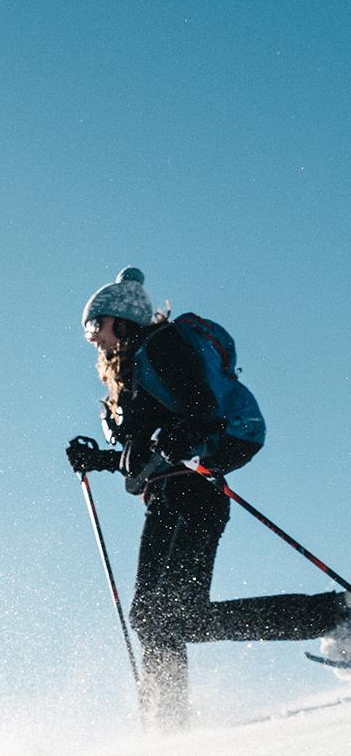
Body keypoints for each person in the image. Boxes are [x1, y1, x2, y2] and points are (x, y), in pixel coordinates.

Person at [67, 267, 351, 728]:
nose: (91, 338)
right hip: (165, 496)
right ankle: (169, 721)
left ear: (121, 319)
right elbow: (145, 452)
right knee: (150, 617)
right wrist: (96, 459)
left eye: (94, 326)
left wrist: (177, 436)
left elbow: (198, 408)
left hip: (195, 493)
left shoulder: (161, 347)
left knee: (181, 617)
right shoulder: (132, 371)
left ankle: (338, 614)